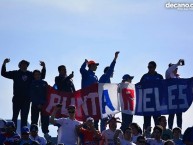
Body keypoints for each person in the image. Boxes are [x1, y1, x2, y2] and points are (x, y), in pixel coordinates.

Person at [1, 59, 46, 131]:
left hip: (26, 100)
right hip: (17, 99)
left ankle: (24, 136)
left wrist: (43, 67)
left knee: (24, 118)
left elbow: (41, 77)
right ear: (20, 65)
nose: (24, 65)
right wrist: (4, 64)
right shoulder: (15, 73)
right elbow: (3, 73)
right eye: (23, 64)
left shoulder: (30, 74)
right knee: (14, 117)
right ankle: (13, 134)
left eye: (26, 64)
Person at [99, 51, 120, 132]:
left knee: (106, 118)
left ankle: (104, 132)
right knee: (104, 118)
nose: (113, 73)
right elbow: (111, 68)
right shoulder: (105, 76)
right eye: (112, 72)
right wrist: (115, 58)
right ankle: (102, 133)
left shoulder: (107, 78)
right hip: (103, 101)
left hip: (106, 100)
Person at [140, 61, 163, 131]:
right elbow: (139, 87)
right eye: (148, 67)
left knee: (157, 122)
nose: (149, 68)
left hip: (156, 103)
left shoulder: (159, 76)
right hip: (147, 103)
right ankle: (147, 137)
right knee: (147, 122)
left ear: (155, 67)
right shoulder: (144, 76)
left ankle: (158, 137)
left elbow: (164, 87)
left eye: (151, 67)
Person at [29, 70, 50, 140]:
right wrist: (37, 103)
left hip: (44, 104)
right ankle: (33, 133)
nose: (37, 76)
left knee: (45, 119)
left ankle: (45, 133)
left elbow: (48, 93)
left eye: (38, 74)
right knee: (34, 119)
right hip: (35, 104)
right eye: (36, 75)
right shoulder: (31, 83)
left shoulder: (44, 83)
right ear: (34, 76)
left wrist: (43, 103)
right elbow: (32, 95)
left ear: (40, 75)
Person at [80, 59, 99, 130]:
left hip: (95, 100)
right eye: (95, 65)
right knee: (86, 118)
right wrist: (85, 63)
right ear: (91, 66)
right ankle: (85, 136)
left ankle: (96, 136)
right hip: (87, 99)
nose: (96, 67)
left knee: (96, 118)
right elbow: (81, 69)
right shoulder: (86, 73)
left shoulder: (95, 76)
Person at [165, 59, 184, 130]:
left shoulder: (178, 77)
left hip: (178, 99)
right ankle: (170, 130)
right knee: (171, 116)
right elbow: (168, 71)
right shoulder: (168, 76)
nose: (176, 69)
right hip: (171, 100)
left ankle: (179, 131)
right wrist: (177, 63)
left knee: (179, 117)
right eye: (175, 68)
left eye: (177, 68)